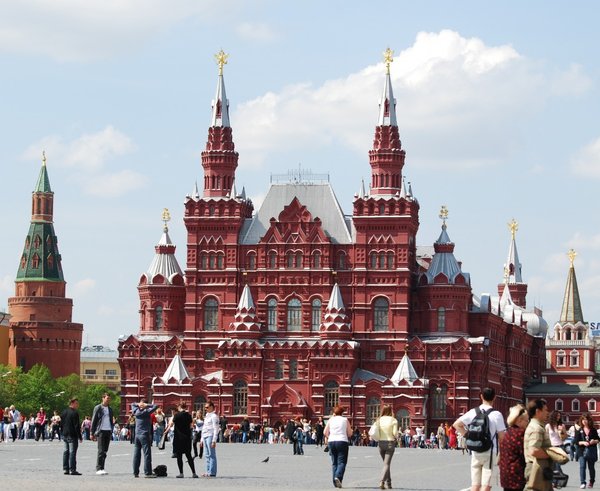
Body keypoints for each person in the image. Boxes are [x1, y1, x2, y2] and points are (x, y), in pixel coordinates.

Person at [453, 387, 506, 491]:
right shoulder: (497, 415)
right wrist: (501, 454)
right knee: (486, 485)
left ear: (481, 396)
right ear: (494, 398)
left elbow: (457, 425)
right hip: (490, 452)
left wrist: (469, 436)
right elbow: (502, 437)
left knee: (475, 485)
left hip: (475, 451)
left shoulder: (474, 412)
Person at [523, 398, 552, 491]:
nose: (547, 413)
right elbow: (534, 451)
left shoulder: (536, 426)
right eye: (545, 410)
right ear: (537, 411)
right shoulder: (537, 429)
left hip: (537, 467)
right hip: (536, 469)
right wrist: (551, 454)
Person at [499, 404, 528, 491]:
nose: (528, 423)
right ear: (519, 420)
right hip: (516, 474)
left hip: (505, 473)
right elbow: (525, 453)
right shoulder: (520, 433)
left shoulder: (508, 431)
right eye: (526, 420)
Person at [165, 402, 197, 478]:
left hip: (178, 439)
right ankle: (194, 473)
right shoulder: (188, 415)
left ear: (179, 407)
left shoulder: (176, 415)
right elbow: (191, 425)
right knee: (189, 456)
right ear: (185, 407)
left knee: (179, 457)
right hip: (187, 438)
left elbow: (171, 424)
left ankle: (181, 473)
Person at [324, 405, 353, 488]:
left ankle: (335, 481)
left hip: (331, 441)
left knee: (334, 463)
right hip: (342, 441)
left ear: (334, 412)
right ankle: (338, 477)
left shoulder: (330, 420)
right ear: (342, 412)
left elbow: (325, 432)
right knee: (342, 462)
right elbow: (350, 433)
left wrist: (330, 437)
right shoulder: (345, 420)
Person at [131, 398, 158, 478]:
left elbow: (132, 403)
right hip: (144, 435)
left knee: (136, 454)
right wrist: (147, 405)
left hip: (137, 435)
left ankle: (135, 472)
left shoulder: (136, 411)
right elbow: (156, 406)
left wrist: (138, 404)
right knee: (147, 454)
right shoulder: (146, 412)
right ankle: (148, 472)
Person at [375, 404, 399, 490]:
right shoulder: (393, 420)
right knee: (386, 464)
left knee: (386, 464)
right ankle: (382, 481)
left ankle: (389, 483)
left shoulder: (379, 420)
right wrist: (397, 437)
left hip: (380, 444)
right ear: (390, 411)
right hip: (389, 443)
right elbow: (395, 433)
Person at [91, 393, 114, 475]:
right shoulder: (98, 408)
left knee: (105, 451)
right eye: (107, 398)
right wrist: (92, 432)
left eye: (109, 398)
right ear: (103, 398)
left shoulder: (110, 409)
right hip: (101, 431)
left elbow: (111, 420)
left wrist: (111, 429)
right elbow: (94, 420)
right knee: (100, 450)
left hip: (108, 431)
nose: (108, 400)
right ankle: (98, 468)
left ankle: (102, 467)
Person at [574, 413, 599, 489]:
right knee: (582, 467)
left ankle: (591, 481)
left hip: (591, 451)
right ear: (581, 421)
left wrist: (593, 441)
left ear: (589, 420)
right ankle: (583, 482)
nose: (584, 421)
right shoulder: (579, 430)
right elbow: (576, 441)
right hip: (581, 451)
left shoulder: (593, 430)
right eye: (583, 419)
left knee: (591, 467)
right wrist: (583, 442)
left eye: (586, 419)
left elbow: (598, 440)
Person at [60, 397, 83, 476]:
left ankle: (66, 469)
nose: (78, 405)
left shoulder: (64, 412)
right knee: (72, 452)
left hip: (65, 434)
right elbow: (77, 426)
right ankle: (72, 469)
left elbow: (61, 424)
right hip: (72, 435)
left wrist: (62, 432)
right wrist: (80, 436)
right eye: (76, 403)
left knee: (66, 451)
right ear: (72, 403)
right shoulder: (75, 413)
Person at [545, 411, 566, 486]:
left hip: (560, 446)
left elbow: (564, 438)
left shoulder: (562, 425)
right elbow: (546, 437)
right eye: (557, 416)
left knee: (557, 464)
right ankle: (557, 479)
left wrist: (562, 431)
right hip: (551, 446)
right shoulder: (548, 426)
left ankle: (559, 480)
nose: (558, 417)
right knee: (552, 465)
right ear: (553, 416)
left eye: (559, 416)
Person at [201, 400, 220, 477]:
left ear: (212, 407)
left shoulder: (214, 416)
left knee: (211, 455)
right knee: (206, 455)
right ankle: (207, 471)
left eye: (207, 407)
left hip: (210, 436)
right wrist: (201, 439)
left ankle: (212, 472)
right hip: (205, 436)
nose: (205, 409)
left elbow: (216, 429)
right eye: (205, 407)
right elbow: (204, 428)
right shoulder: (207, 416)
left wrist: (214, 440)